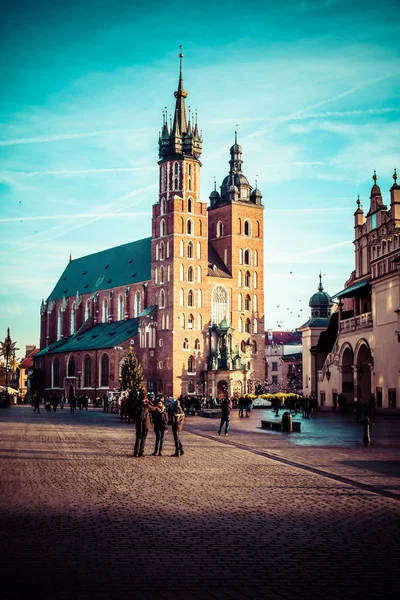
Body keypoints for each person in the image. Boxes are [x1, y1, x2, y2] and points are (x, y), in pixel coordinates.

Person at [133, 392, 151, 457]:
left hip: (138, 423)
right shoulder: (146, 405)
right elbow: (154, 408)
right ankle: (141, 452)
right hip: (145, 424)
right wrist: (149, 402)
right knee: (143, 439)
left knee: (138, 438)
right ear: (145, 398)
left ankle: (135, 452)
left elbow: (133, 407)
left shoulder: (137, 403)